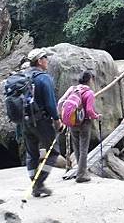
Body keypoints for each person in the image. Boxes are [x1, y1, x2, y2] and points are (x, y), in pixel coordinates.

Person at [23, 48, 62, 197]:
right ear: (39, 61)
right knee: (53, 152)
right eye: (45, 58)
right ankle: (38, 184)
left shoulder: (24, 76)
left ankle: (34, 183)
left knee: (31, 154)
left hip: (24, 122)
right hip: (41, 122)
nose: (47, 61)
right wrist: (57, 120)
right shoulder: (43, 78)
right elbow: (50, 103)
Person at [58, 71, 101, 183]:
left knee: (76, 147)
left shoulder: (72, 89)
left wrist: (61, 117)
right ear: (90, 79)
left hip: (72, 122)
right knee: (83, 149)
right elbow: (89, 110)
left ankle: (80, 171)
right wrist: (96, 116)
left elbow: (60, 102)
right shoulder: (89, 93)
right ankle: (82, 174)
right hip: (84, 123)